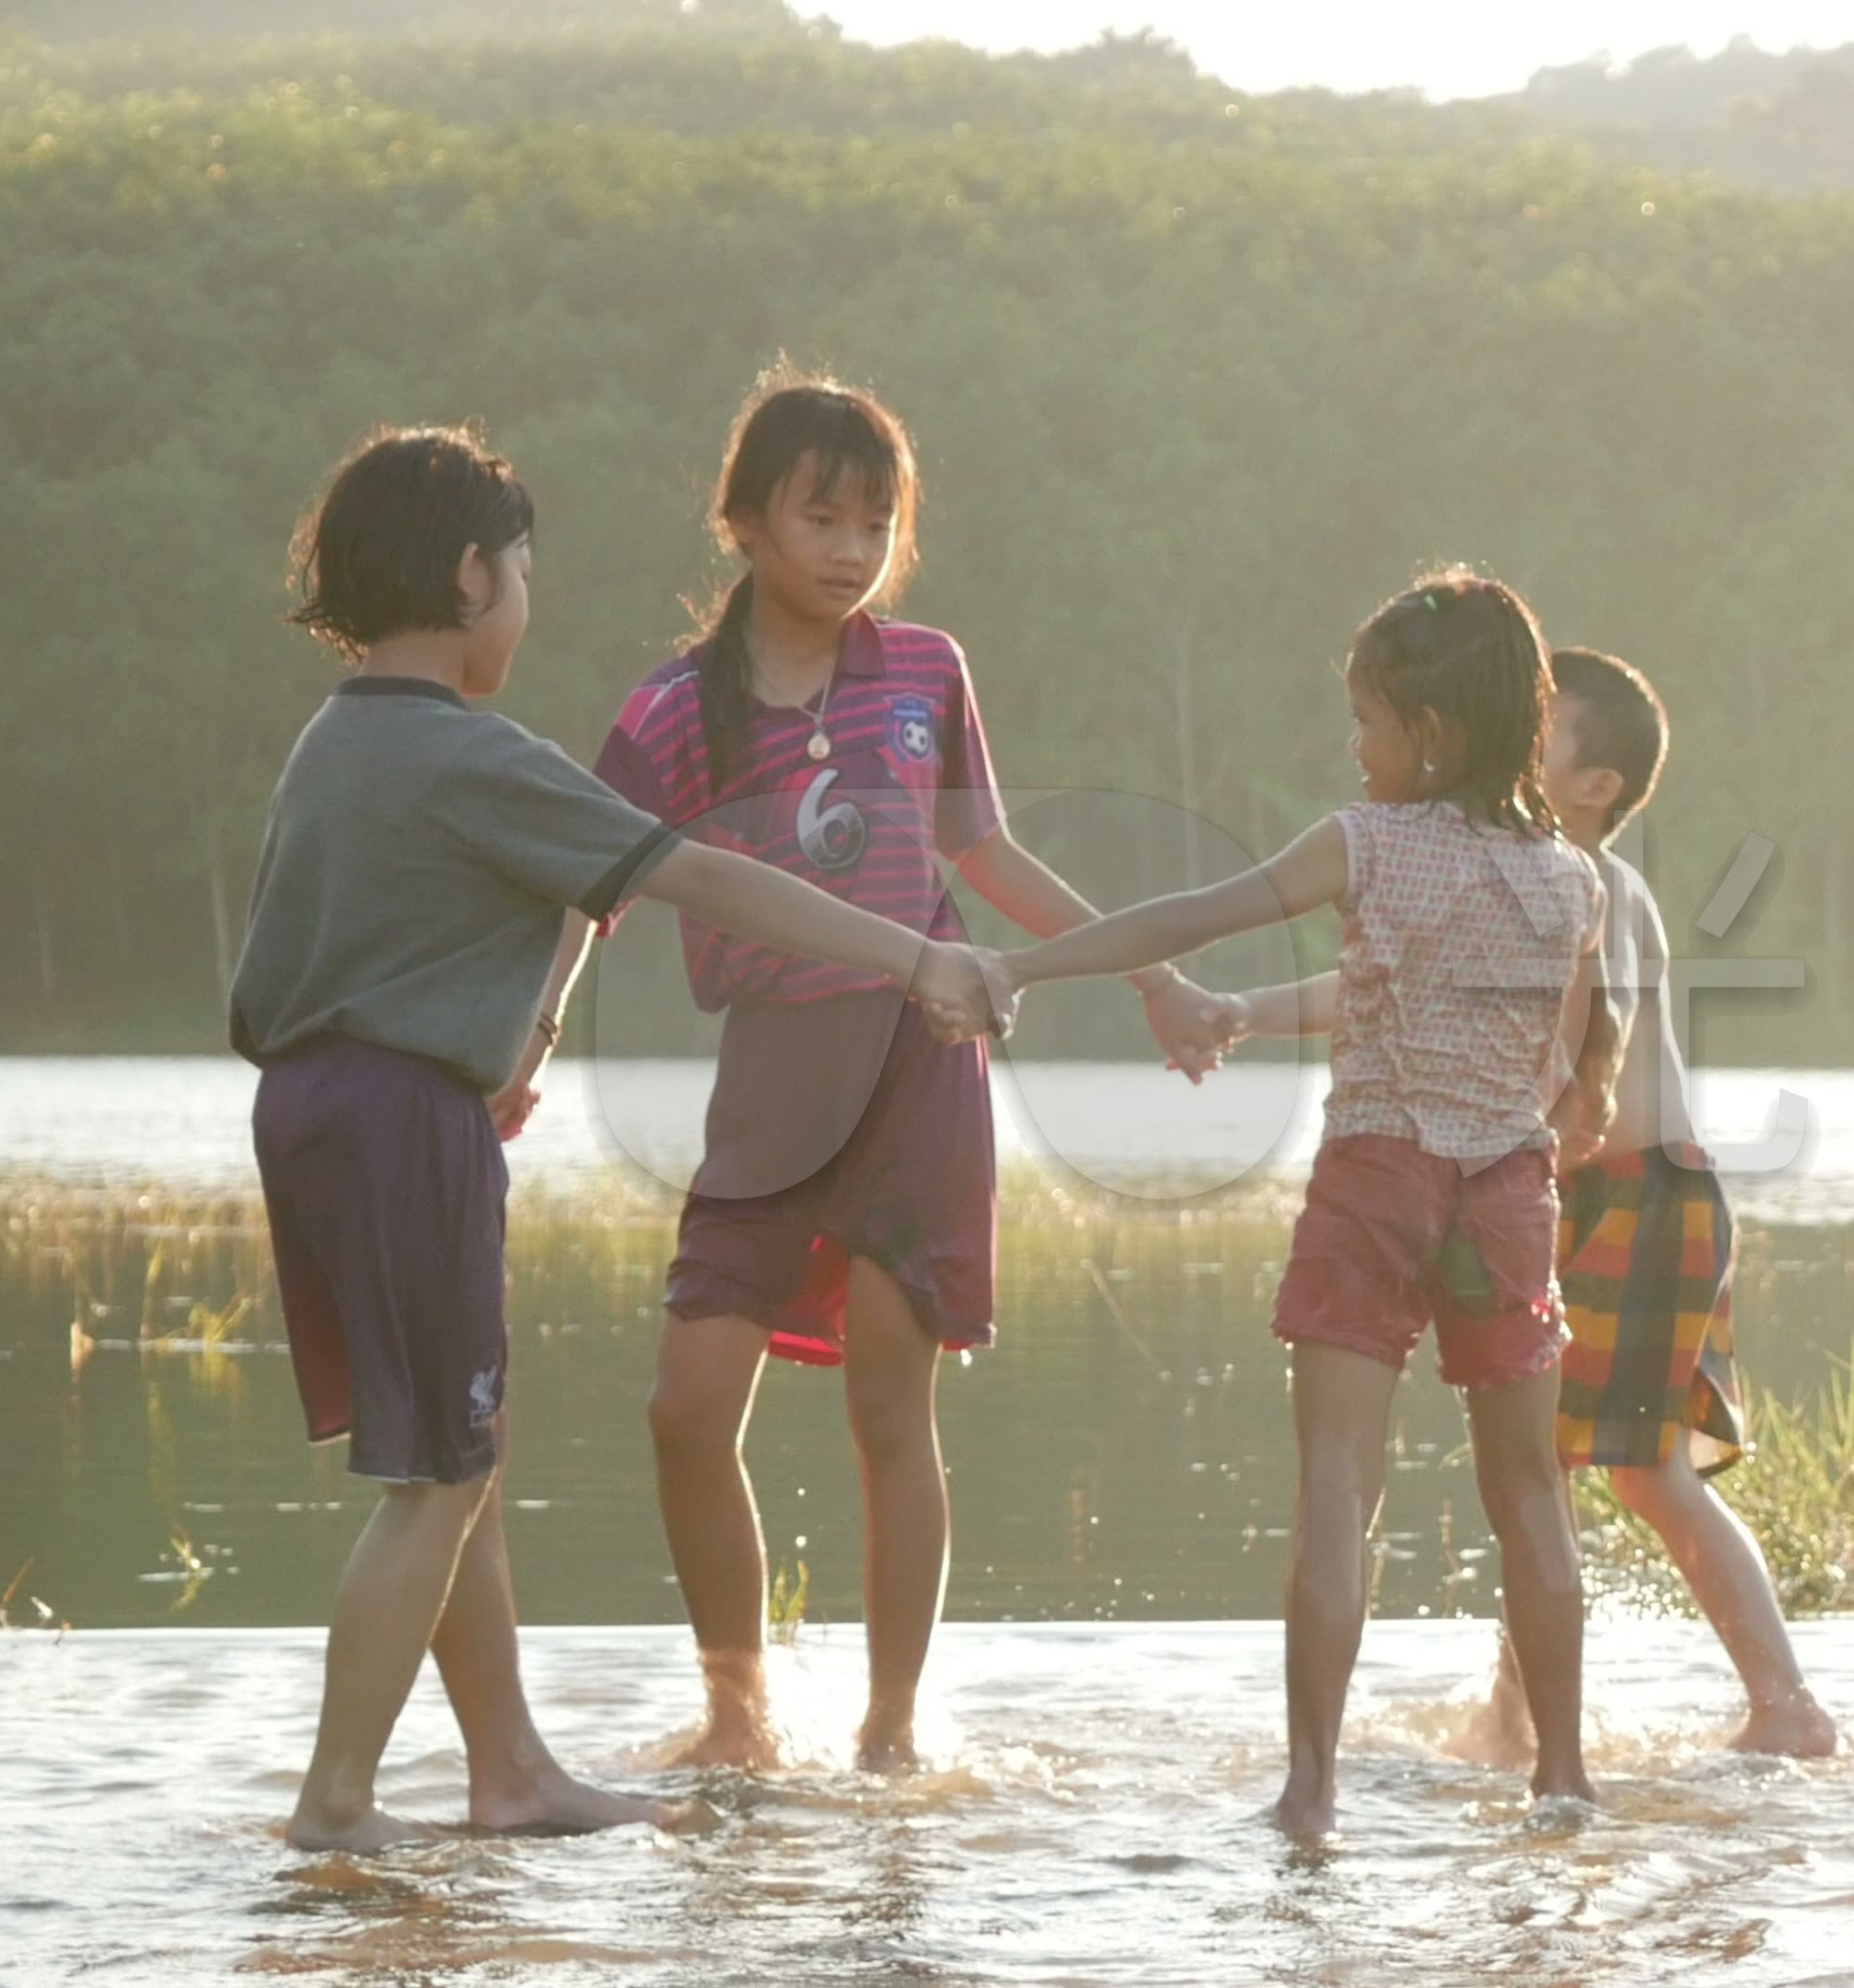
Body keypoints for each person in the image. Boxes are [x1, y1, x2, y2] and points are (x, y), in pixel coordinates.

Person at [233, 424, 1002, 1854]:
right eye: (519, 570)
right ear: (470, 577)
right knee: (438, 1482)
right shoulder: (475, 755)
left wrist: (510, 1043)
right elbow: (697, 872)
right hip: (410, 1117)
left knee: (460, 1453)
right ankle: (334, 1805)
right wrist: (911, 957)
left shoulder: (332, 742)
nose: (526, 598)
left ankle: (508, 1767)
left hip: (311, 1108)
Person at [509, 367, 1232, 1773]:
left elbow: (989, 858)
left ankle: (894, 1731)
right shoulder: (669, 712)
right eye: (820, 515)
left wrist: (1152, 975)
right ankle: (739, 1715)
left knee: (890, 1401)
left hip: (920, 1070)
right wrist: (527, 1043)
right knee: (683, 1408)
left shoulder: (926, 672)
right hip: (775, 1081)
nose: (849, 547)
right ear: (744, 522)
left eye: (874, 519)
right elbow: (589, 886)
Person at [979, 571, 1615, 1838]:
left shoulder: (1362, 843)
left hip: (1377, 1174)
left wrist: (1023, 961)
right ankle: (1565, 1777)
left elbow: (1191, 915)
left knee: (1338, 1483)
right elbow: (1551, 1043)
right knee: (1530, 1491)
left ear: (1431, 733)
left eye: (1370, 722)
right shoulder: (1568, 882)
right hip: (1505, 1193)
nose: (1356, 745)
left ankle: (1313, 1788)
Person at [1216, 650, 1836, 1759]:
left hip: (1640, 1198)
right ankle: (1521, 1718)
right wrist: (1245, 1012)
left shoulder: (1598, 886)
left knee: (1641, 1475)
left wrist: (1531, 1120)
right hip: (1577, 1195)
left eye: (1541, 737)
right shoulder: (1515, 881)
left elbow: (1598, 1041)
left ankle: (1784, 1703)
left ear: (1593, 786)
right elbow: (1383, 991)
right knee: (1539, 1474)